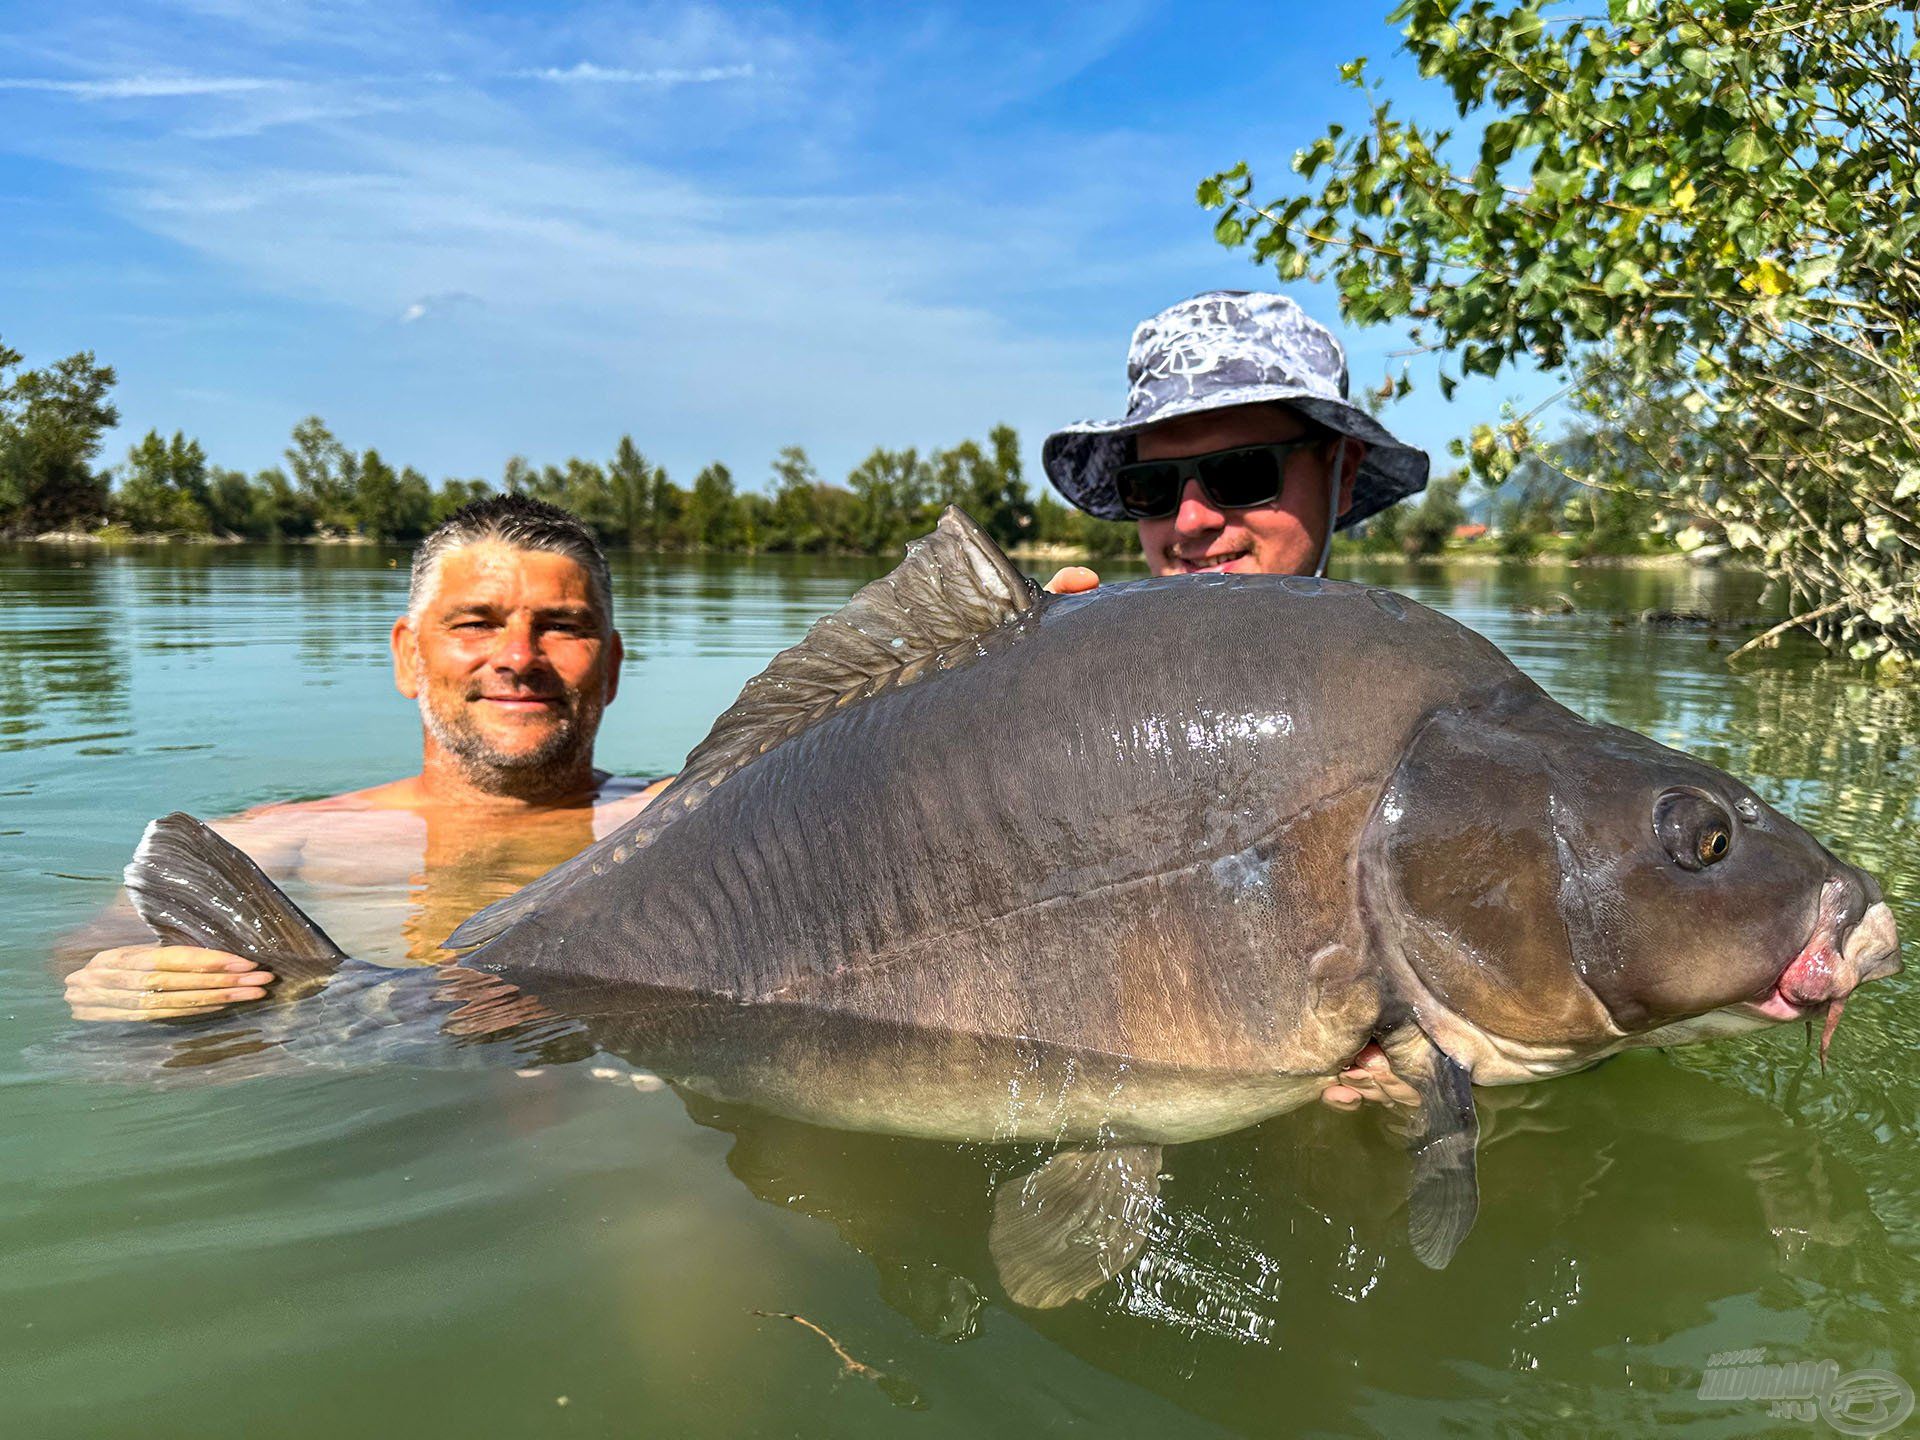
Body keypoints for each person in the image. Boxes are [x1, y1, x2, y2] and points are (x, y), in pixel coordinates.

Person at [1040, 289, 1433, 1107]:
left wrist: (1419, 1121)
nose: (1190, 520)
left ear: (1343, 470)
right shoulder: (1056, 660)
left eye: (1239, 474)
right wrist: (979, 721)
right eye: (1152, 487)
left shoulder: (1435, 717)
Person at [62, 494, 665, 1021]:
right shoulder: (290, 837)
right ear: (408, 657)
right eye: (476, 622)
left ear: (611, 665)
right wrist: (118, 977)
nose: (517, 657)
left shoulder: (692, 814)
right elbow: (96, 945)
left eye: (562, 626)